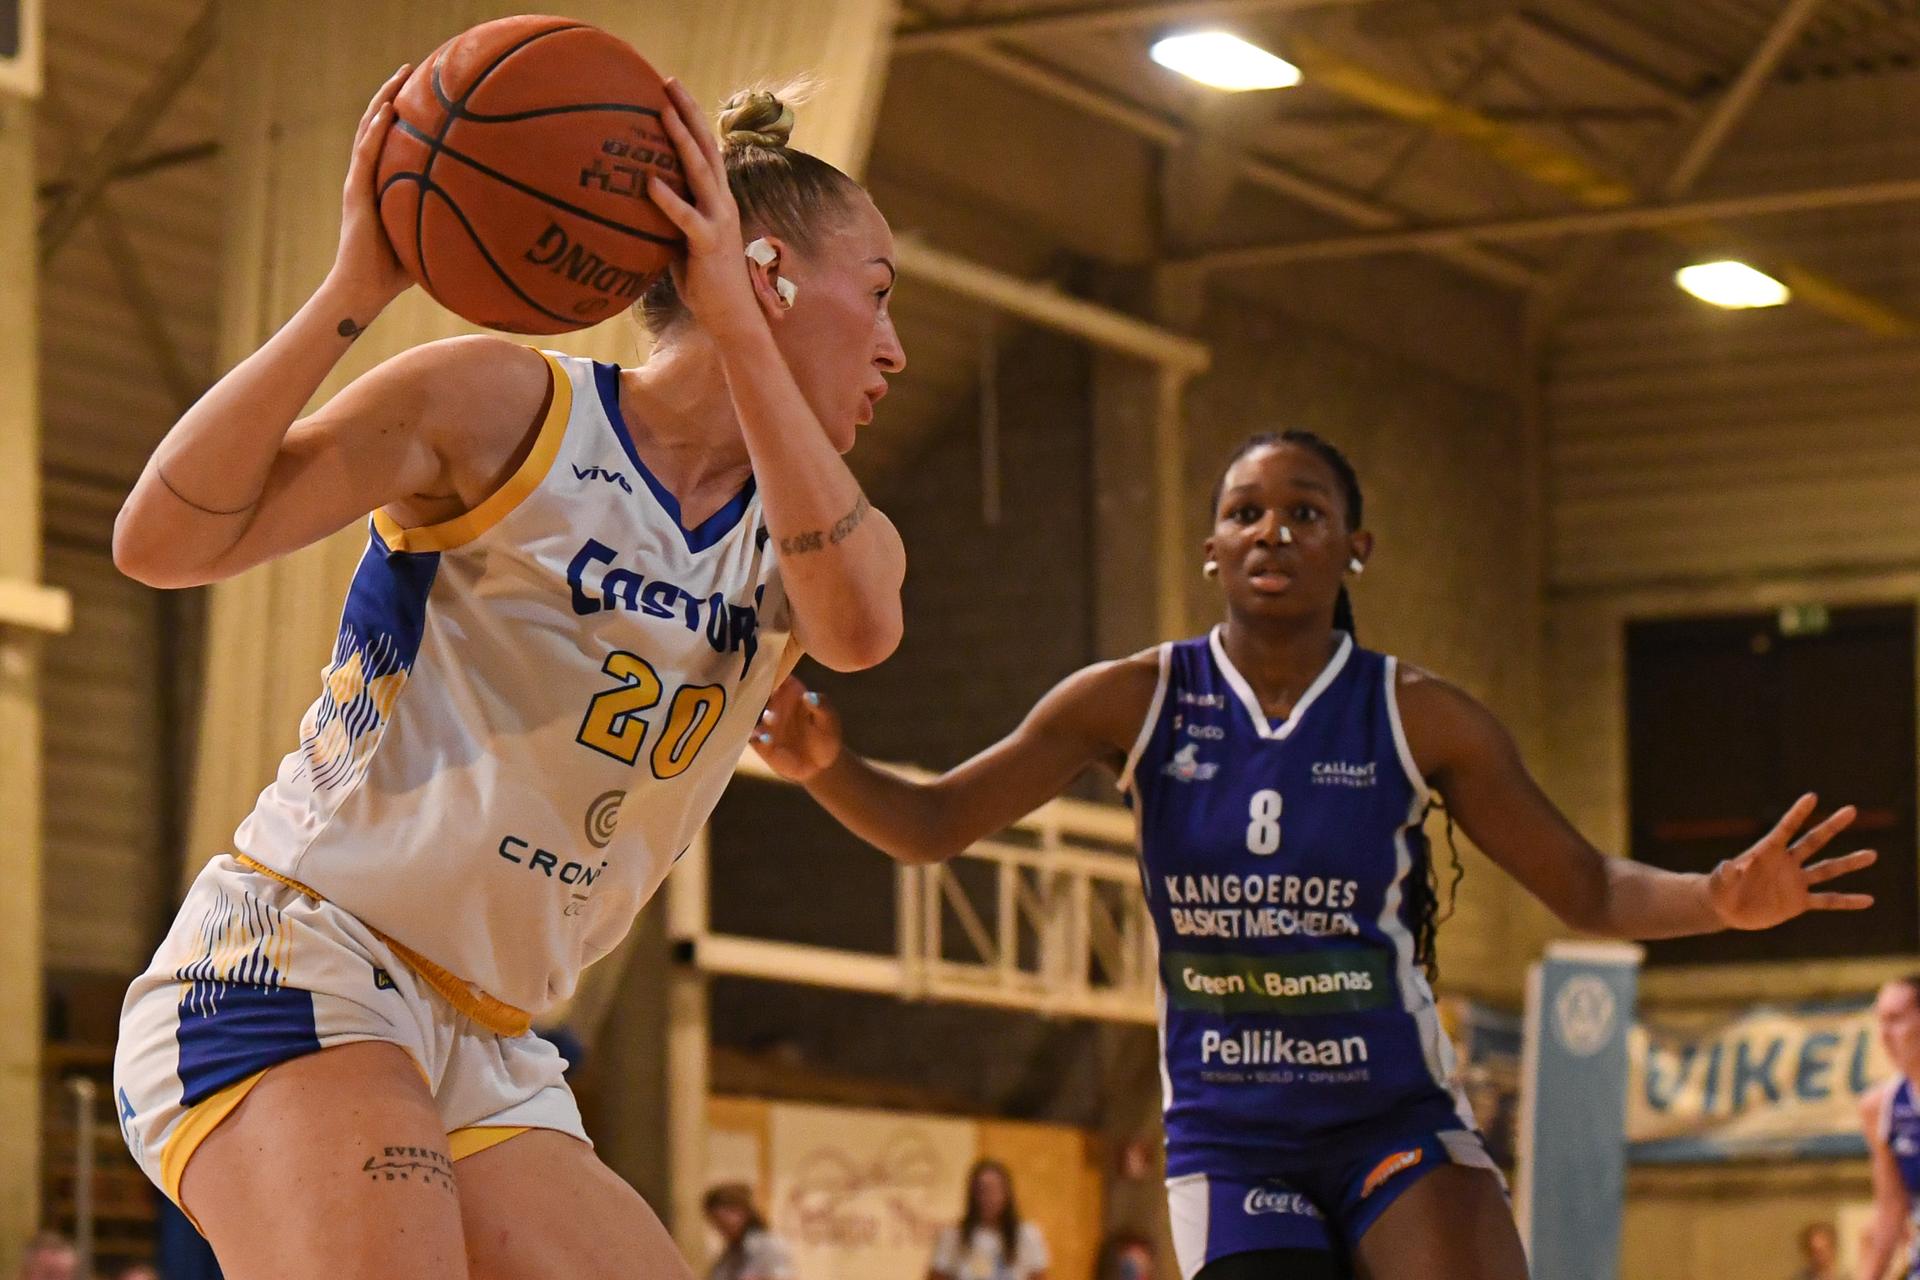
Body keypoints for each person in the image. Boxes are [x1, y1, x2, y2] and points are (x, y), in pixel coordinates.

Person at [109, 65, 906, 1280]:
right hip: (302, 955)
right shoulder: (506, 406)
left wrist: (742, 336)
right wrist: (352, 289)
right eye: (882, 295)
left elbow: (857, 631)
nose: (897, 349)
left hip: (490, 1035)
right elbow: (161, 542)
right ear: (771, 273)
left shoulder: (814, 531)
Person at [751, 431, 1877, 1280]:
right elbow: (932, 823)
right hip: (1233, 1135)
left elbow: (1585, 884)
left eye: (1303, 511)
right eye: (1244, 511)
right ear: (1211, 547)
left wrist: (1721, 899)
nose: (1271, 531)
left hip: (1392, 1117)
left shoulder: (1421, 714)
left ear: (1355, 545)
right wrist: (824, 765)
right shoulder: (1134, 699)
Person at [1860, 977, 1920, 1280]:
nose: (1884, 1035)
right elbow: (1891, 1209)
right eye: (1880, 1021)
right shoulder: (1881, 1106)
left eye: (1895, 1020)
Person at [928, 1159, 1050, 1280]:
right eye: (981, 1190)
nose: (987, 1197)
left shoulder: (1027, 1234)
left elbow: (1039, 1276)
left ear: (1006, 1194)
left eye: (994, 1190)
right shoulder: (953, 1236)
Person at [702, 1183, 795, 1280]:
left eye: (723, 1223)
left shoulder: (769, 1247)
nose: (720, 1230)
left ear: (742, 1212)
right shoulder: (728, 1256)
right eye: (716, 1224)